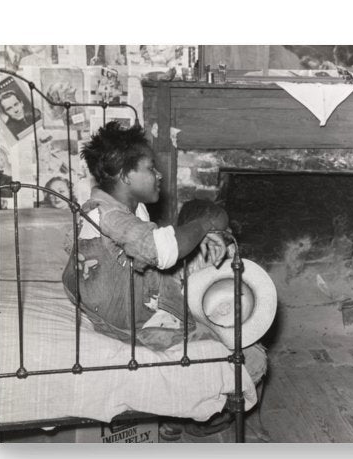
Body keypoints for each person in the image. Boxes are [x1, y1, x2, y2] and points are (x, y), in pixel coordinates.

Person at [61, 121, 229, 348]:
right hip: (118, 323)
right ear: (125, 175)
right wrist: (205, 224)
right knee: (224, 346)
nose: (159, 175)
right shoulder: (110, 216)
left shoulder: (128, 208)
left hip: (121, 299)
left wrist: (194, 235)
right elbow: (161, 251)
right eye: (150, 168)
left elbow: (147, 239)